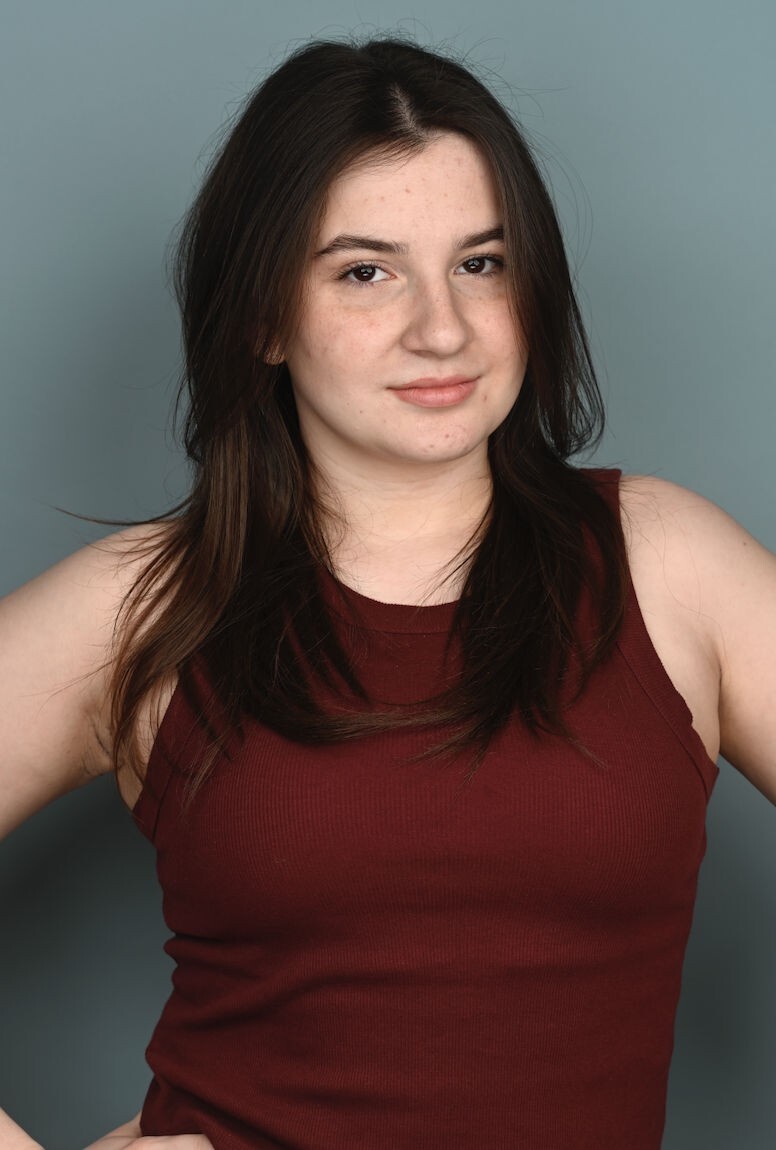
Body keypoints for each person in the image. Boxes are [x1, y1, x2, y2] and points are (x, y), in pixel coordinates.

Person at [1, 34, 774, 1150]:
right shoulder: (150, 608)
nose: (441, 328)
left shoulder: (667, 564)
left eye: (481, 263)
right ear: (263, 317)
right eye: (365, 271)